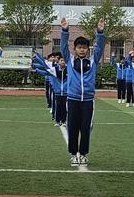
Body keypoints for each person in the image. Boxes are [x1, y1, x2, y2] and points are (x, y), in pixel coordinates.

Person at [60, 17, 105, 167]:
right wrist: (65, 31)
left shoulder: (93, 61)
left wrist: (100, 32)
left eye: (85, 47)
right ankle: (73, 154)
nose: (82, 49)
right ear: (75, 49)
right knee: (72, 127)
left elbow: (100, 48)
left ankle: (84, 154)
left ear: (87, 49)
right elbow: (63, 47)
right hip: (72, 99)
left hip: (87, 100)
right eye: (79, 47)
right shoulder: (69, 60)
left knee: (86, 128)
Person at [33, 53, 68, 126]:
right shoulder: (54, 70)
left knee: (64, 107)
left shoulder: (69, 70)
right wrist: (37, 70)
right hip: (57, 91)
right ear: (58, 61)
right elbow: (45, 70)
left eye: (64, 60)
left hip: (66, 92)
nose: (63, 62)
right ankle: (57, 121)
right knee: (58, 107)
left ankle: (64, 121)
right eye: (61, 60)